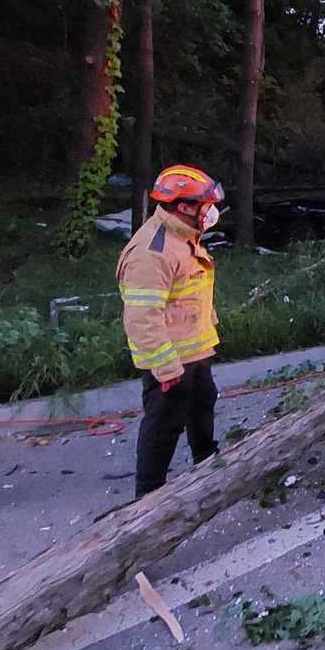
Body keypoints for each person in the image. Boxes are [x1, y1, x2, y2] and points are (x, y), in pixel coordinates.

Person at [117, 164, 224, 498]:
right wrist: (165, 367)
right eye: (207, 205)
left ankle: (207, 465)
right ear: (184, 207)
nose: (212, 212)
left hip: (195, 352)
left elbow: (191, 292)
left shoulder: (184, 237)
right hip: (171, 361)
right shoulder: (152, 252)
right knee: (164, 425)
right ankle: (148, 497)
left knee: (203, 405)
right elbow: (142, 317)